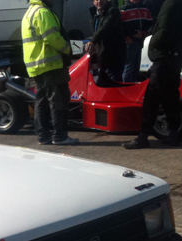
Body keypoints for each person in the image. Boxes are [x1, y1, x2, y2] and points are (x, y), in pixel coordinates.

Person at [124, 0, 182, 148]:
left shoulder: (171, 4)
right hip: (176, 55)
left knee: (152, 96)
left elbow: (164, 30)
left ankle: (144, 135)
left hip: (165, 56)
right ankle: (173, 133)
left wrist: (152, 45)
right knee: (170, 94)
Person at [22, 0, 78, 145]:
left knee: (41, 100)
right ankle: (60, 136)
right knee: (58, 100)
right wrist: (68, 49)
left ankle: (43, 136)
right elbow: (52, 38)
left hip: (37, 66)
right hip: (50, 64)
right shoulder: (43, 12)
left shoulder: (29, 12)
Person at [87, 0, 126, 85]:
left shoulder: (112, 11)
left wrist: (93, 41)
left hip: (114, 56)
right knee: (103, 83)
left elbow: (106, 28)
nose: (99, 2)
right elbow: (96, 31)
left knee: (113, 84)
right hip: (103, 55)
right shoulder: (95, 13)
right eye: (97, 0)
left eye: (102, 0)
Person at [121, 0, 153, 82]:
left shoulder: (144, 8)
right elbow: (118, 26)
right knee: (128, 68)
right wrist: (126, 37)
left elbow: (150, 22)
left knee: (136, 68)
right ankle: (125, 90)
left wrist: (143, 32)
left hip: (139, 42)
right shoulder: (124, 9)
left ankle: (132, 89)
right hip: (129, 43)